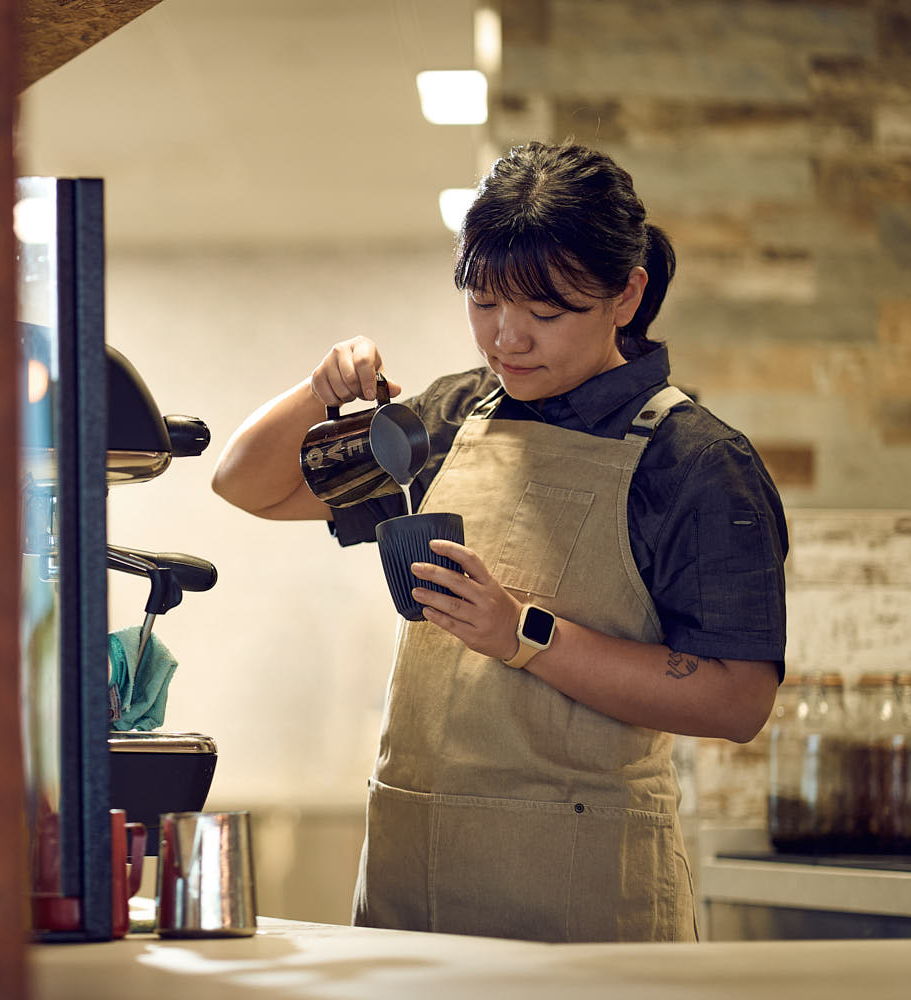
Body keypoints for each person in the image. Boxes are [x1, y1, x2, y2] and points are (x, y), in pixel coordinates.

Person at [210, 140, 787, 944]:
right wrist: (320, 392)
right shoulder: (453, 416)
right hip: (414, 886)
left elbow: (737, 700)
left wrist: (525, 635)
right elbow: (249, 485)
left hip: (586, 904)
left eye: (545, 314)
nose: (506, 339)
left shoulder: (696, 463)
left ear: (627, 295)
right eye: (484, 303)